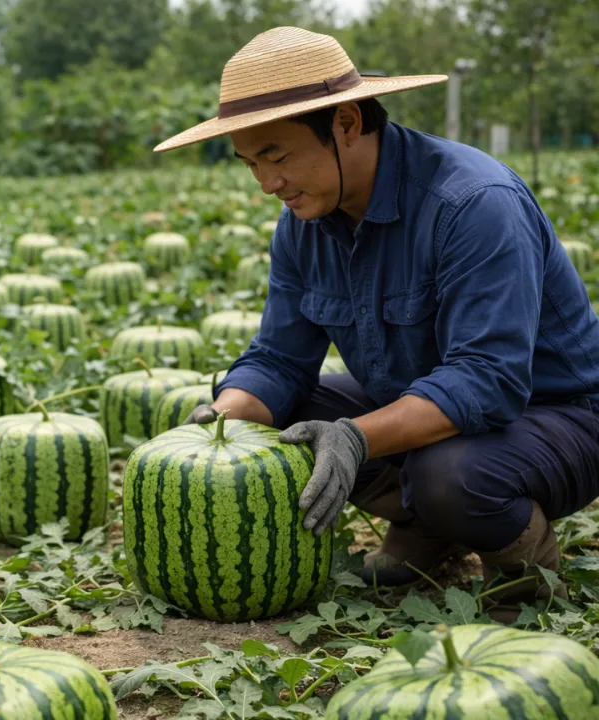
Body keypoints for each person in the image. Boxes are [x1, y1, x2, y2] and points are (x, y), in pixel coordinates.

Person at [155, 26, 599, 622]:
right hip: (424, 406)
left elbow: (488, 380)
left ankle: (524, 581)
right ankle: (428, 536)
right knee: (277, 415)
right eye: (250, 163)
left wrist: (358, 435)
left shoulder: (472, 202)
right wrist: (221, 421)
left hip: (556, 416)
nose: (267, 184)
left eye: (277, 156)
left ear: (345, 123)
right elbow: (280, 360)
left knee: (451, 473)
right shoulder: (303, 223)